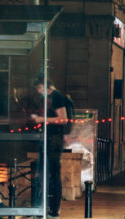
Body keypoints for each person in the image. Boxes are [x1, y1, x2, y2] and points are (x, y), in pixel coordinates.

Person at [30, 75, 71, 218]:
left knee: (53, 174)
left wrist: (42, 119)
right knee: (47, 173)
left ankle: (53, 209)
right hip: (50, 139)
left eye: (39, 88)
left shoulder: (56, 96)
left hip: (53, 140)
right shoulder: (51, 97)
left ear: (45, 85)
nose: (39, 91)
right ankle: (47, 208)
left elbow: (63, 119)